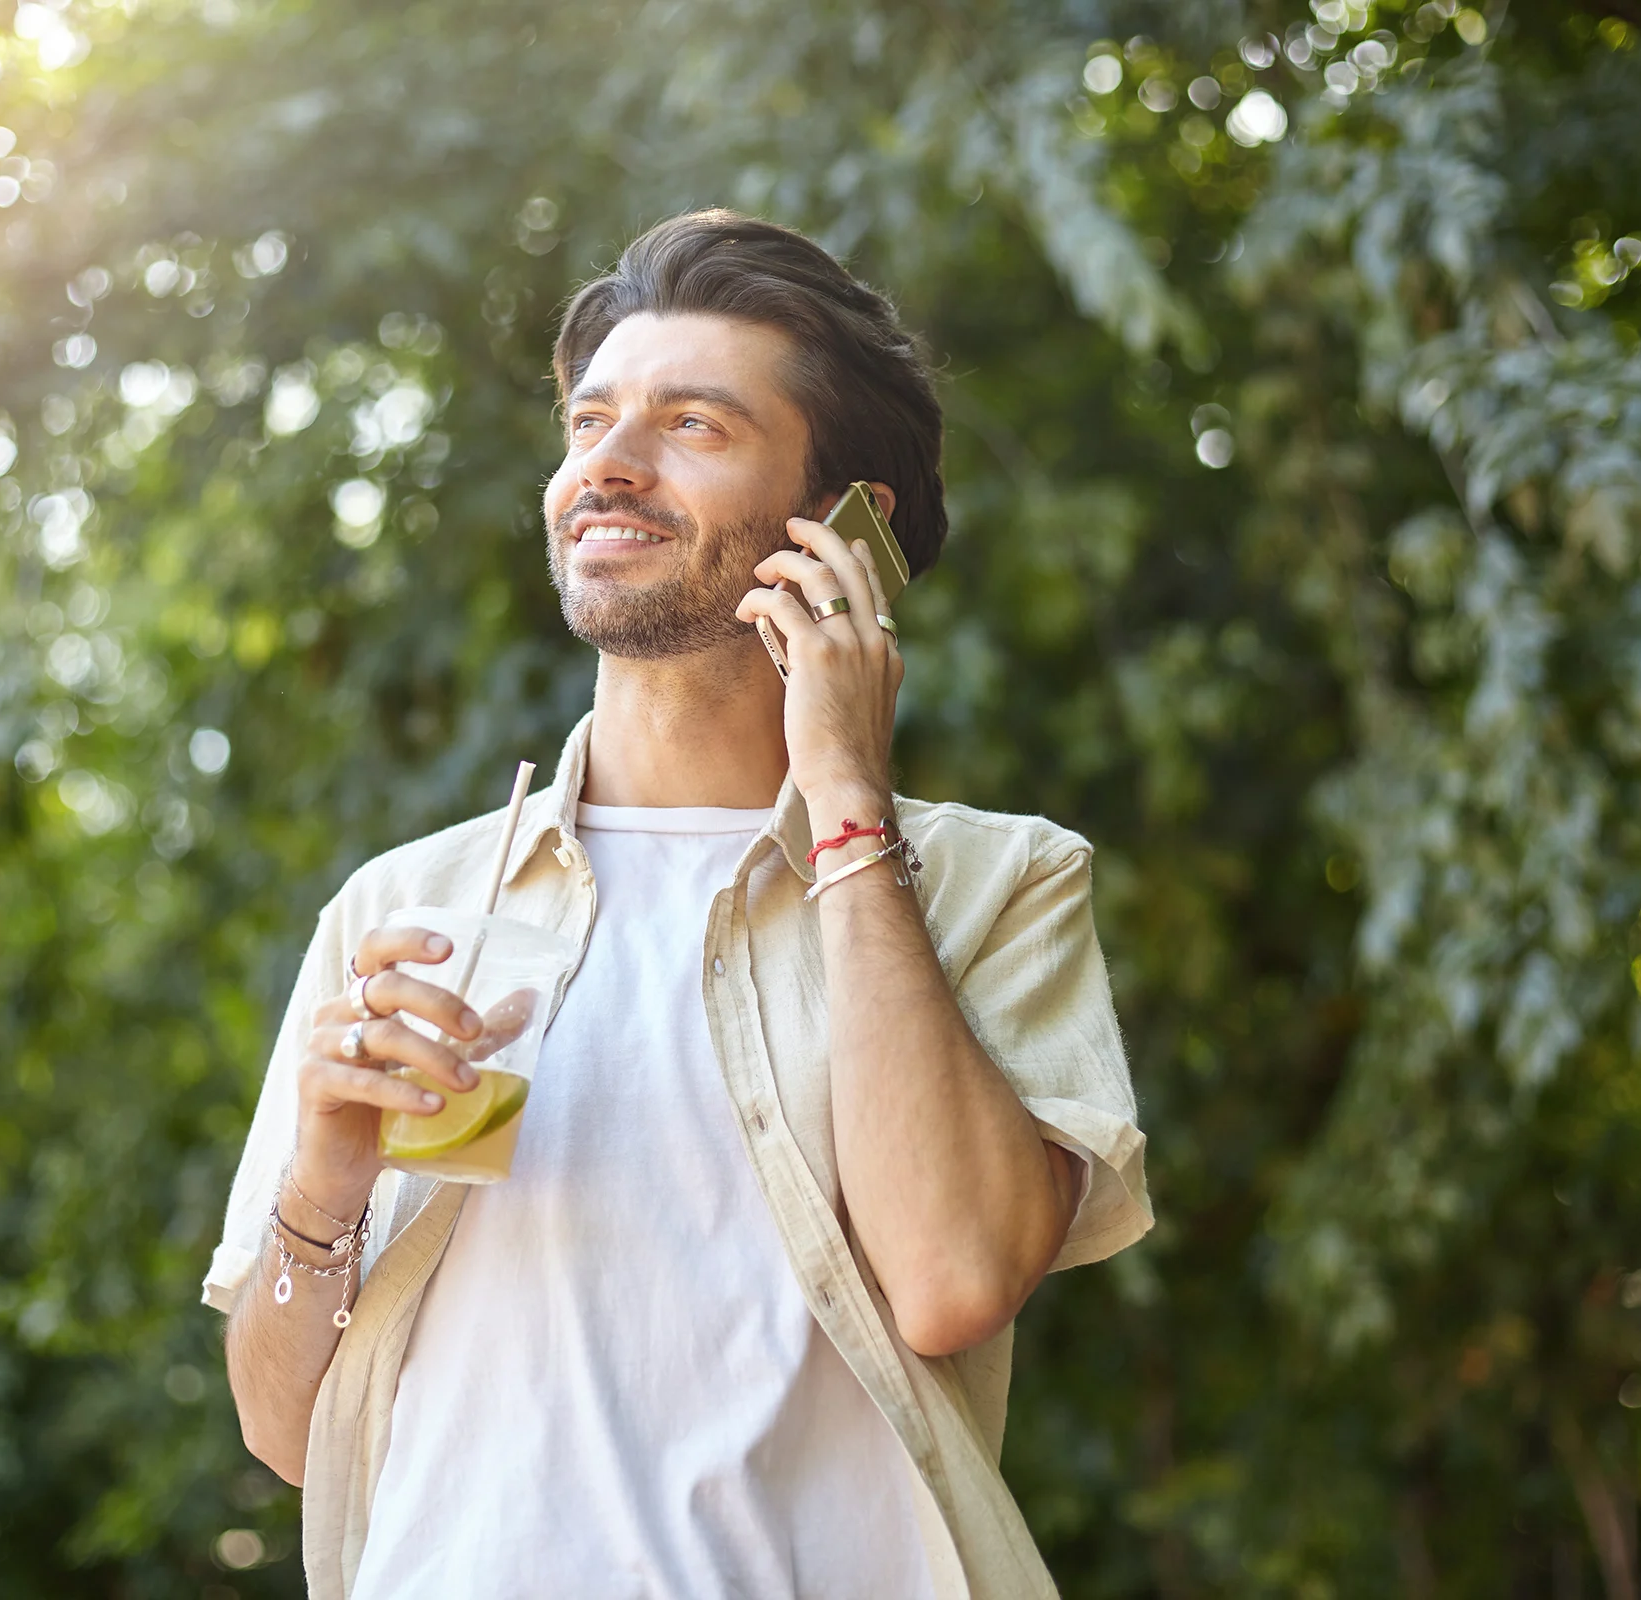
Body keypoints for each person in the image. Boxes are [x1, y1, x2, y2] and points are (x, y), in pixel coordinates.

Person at [205, 209, 1150, 1599]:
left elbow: (952, 1281)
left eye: (693, 425)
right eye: (592, 422)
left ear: (848, 525)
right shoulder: (409, 905)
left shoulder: (996, 884)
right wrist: (327, 1180)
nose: (610, 467)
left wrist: (845, 801)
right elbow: (287, 1435)